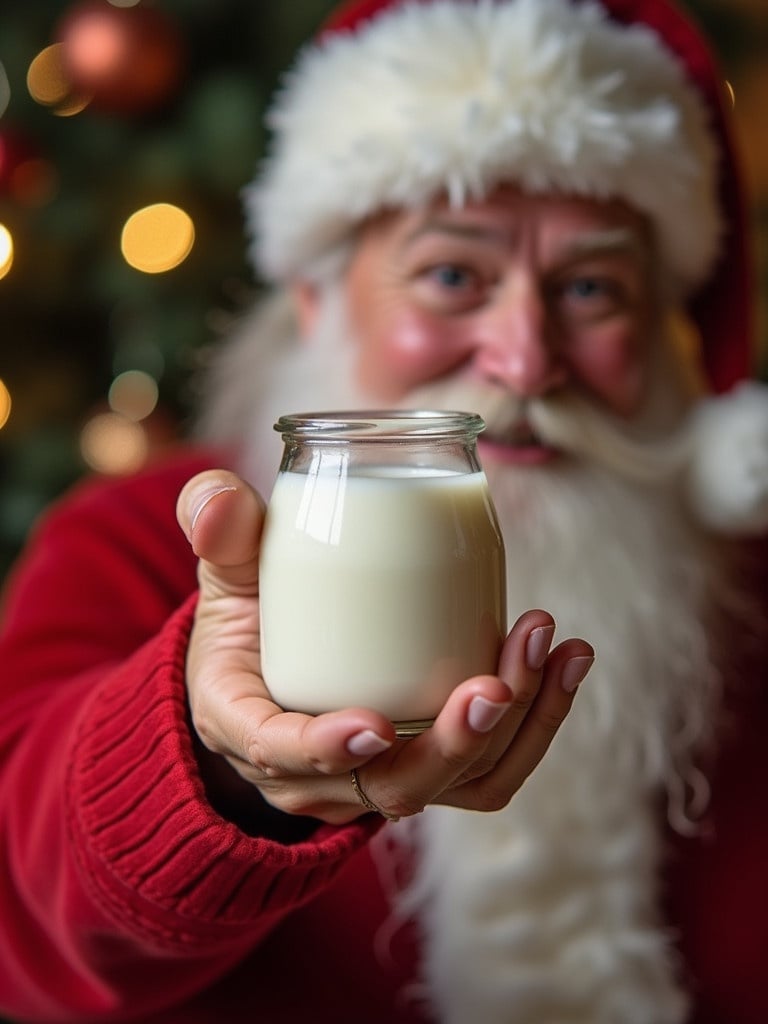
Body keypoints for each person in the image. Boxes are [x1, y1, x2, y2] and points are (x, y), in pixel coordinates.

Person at [0, 0, 766, 1021]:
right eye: (452, 275)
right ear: (319, 295)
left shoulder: (744, 579)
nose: (526, 358)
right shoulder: (142, 539)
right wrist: (214, 763)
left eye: (591, 289)